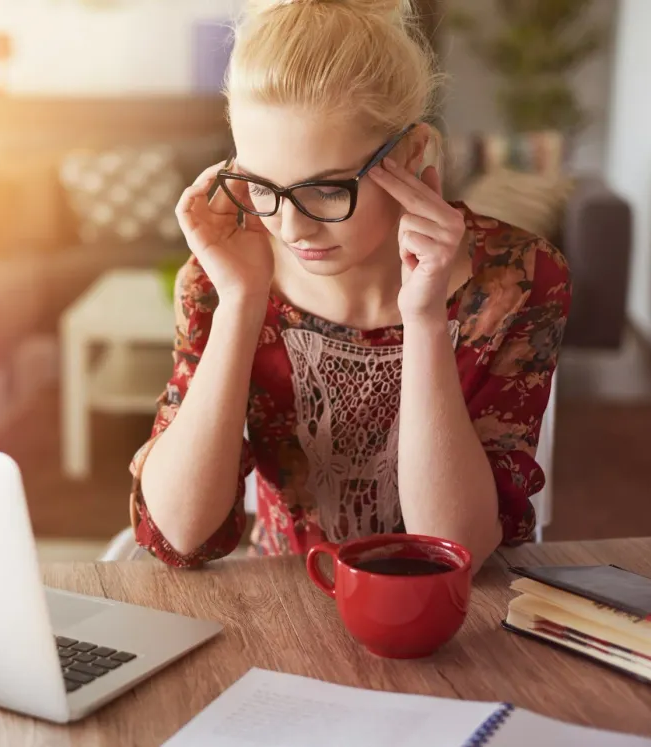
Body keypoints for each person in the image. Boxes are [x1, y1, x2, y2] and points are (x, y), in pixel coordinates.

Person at [128, 0, 571, 574]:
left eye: (328, 190)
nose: (291, 227)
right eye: (261, 185)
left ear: (411, 154)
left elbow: (454, 547)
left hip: (461, 622)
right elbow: (180, 534)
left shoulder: (517, 281)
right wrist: (240, 301)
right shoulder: (221, 278)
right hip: (288, 603)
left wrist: (427, 318)